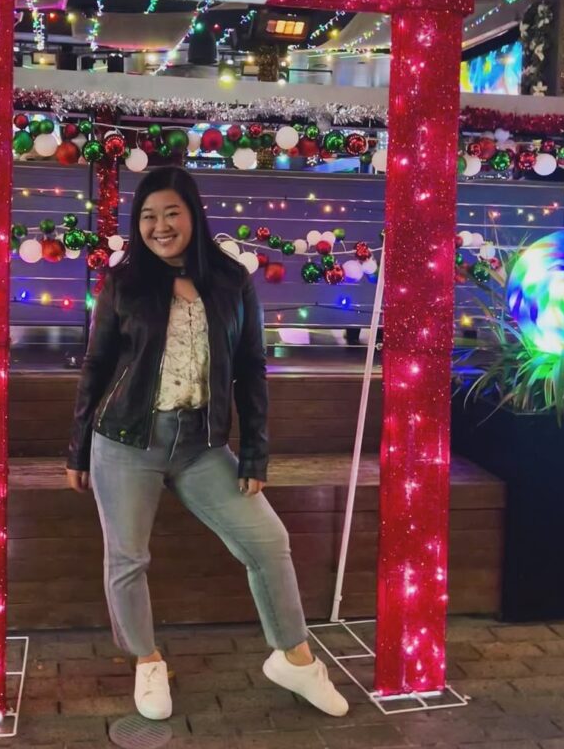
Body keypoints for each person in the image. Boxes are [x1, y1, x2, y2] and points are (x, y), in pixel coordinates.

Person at [66, 166, 348, 722]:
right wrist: (77, 449)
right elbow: (96, 366)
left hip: (200, 445)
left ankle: (294, 658)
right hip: (124, 441)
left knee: (268, 541)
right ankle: (147, 661)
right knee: (127, 558)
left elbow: (252, 367)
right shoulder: (124, 282)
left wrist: (255, 452)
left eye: (171, 212)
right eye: (148, 216)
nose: (160, 226)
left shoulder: (230, 280)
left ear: (193, 214)